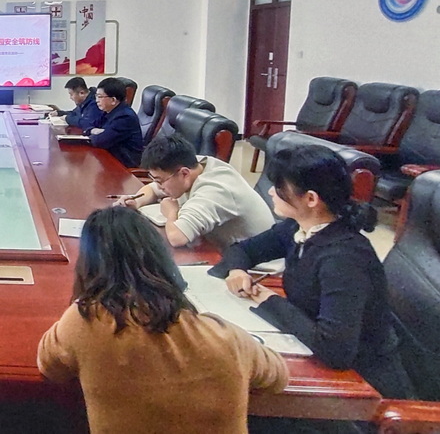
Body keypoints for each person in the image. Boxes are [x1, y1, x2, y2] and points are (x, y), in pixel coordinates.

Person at [38, 207, 288, 433]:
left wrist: (83, 298)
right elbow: (277, 377)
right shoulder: (226, 337)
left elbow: (50, 366)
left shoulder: (84, 322)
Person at [209, 145, 414, 401]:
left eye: (279, 187)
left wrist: (269, 301)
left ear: (311, 199)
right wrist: (237, 269)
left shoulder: (344, 258)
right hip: (317, 356)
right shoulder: (298, 228)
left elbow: (336, 351)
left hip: (365, 390)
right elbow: (241, 250)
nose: (271, 192)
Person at [114, 134, 274, 248]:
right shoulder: (195, 164)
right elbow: (153, 189)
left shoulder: (215, 190)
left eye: (160, 180)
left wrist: (171, 213)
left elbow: (177, 238)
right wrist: (137, 201)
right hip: (222, 249)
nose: (159, 185)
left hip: (255, 270)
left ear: (184, 173)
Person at [87, 77, 143, 168]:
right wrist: (92, 131)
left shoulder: (125, 117)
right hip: (111, 156)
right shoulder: (108, 111)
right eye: (96, 96)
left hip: (124, 164)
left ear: (113, 100)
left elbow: (100, 141)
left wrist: (95, 134)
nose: (96, 100)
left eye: (100, 97)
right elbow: (88, 124)